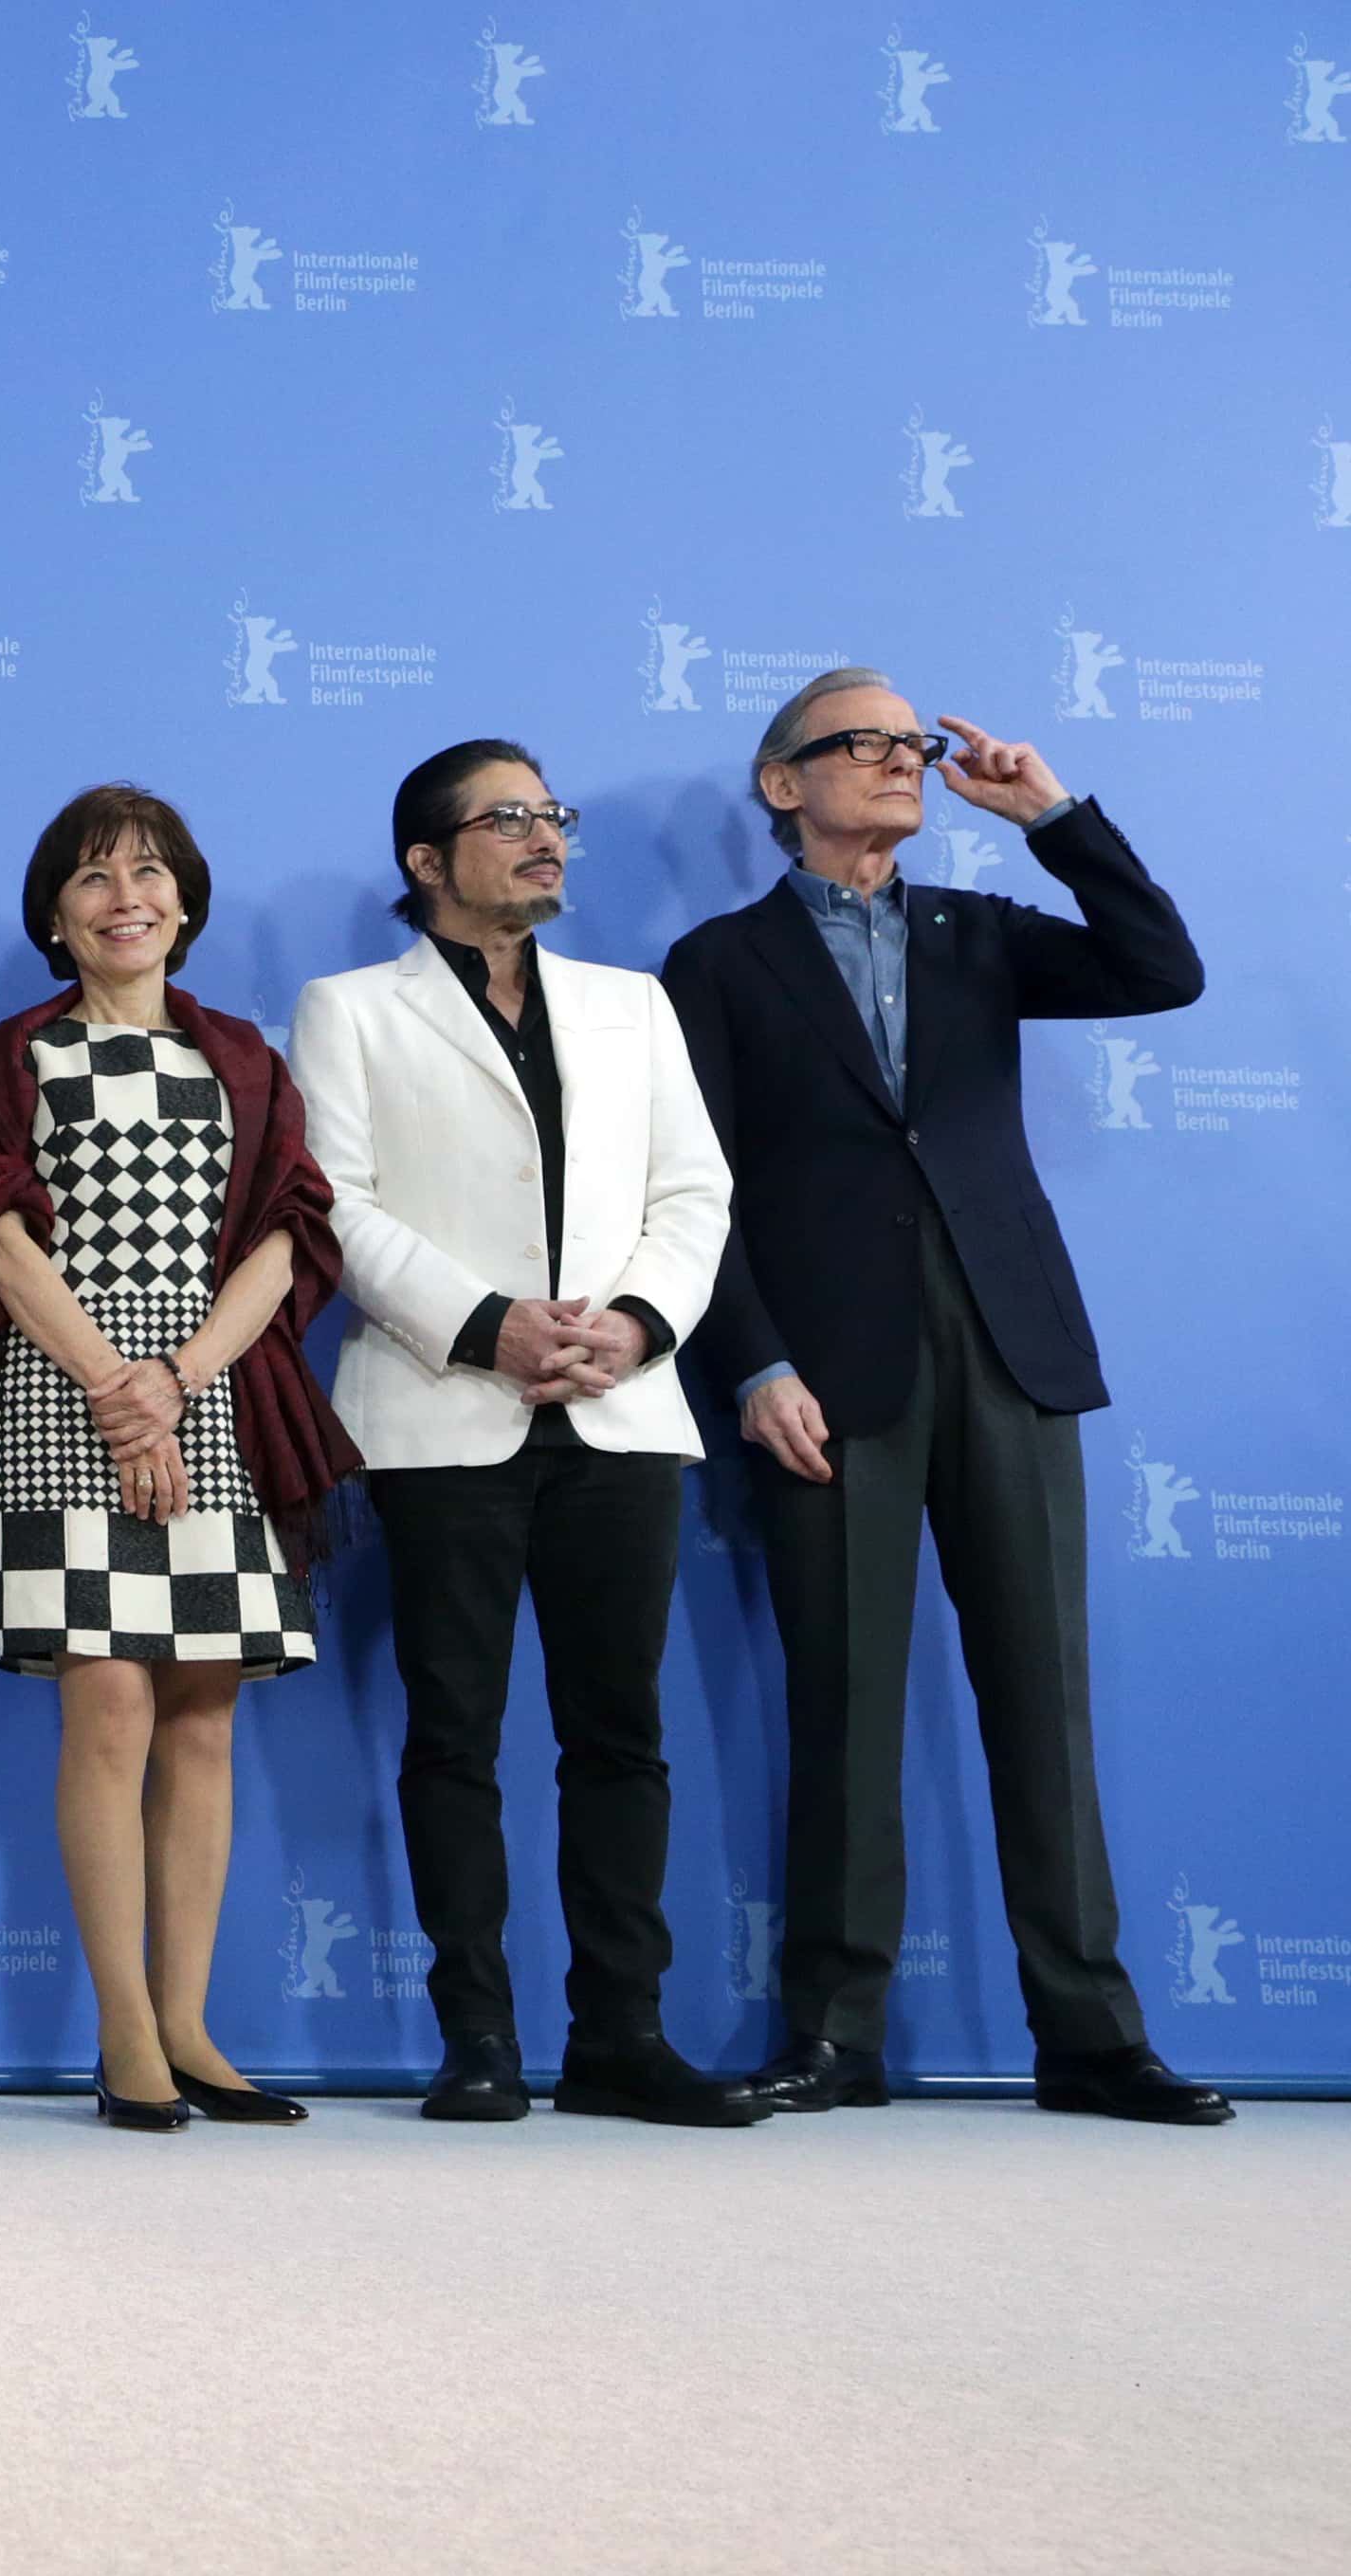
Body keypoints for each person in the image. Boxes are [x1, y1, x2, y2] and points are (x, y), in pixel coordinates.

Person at [663, 673, 1230, 2124]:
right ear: (782, 783)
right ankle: (834, 2034)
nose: (901, 759)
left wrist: (1051, 815)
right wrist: (755, 1362)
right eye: (862, 742)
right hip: (827, 1375)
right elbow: (694, 1189)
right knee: (844, 1709)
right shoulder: (717, 963)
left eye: (910, 742)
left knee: (1046, 1705)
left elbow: (1162, 968)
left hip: (1011, 1349)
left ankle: (1093, 2039)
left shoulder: (979, 931)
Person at [290, 742, 764, 2127]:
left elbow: (695, 1192)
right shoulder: (350, 1009)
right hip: (443, 1409)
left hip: (622, 1409)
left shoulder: (631, 1005)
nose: (545, 836)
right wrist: (486, 1322)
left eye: (552, 814)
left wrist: (637, 1323)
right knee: (455, 1736)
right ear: (426, 859)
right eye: (507, 818)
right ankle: (479, 2039)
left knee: (622, 1736)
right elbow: (337, 1202)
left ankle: (622, 2035)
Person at [0, 785, 353, 2133]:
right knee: (108, 1702)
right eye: (96, 877)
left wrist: (175, 1381)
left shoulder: (243, 1059)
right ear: (55, 915)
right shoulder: (12, 1059)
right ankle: (123, 2034)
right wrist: (116, 1386)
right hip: (60, 1399)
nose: (129, 898)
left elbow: (289, 1235)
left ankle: (190, 2024)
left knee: (205, 1714)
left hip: (215, 1399)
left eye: (152, 873)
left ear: (187, 903)